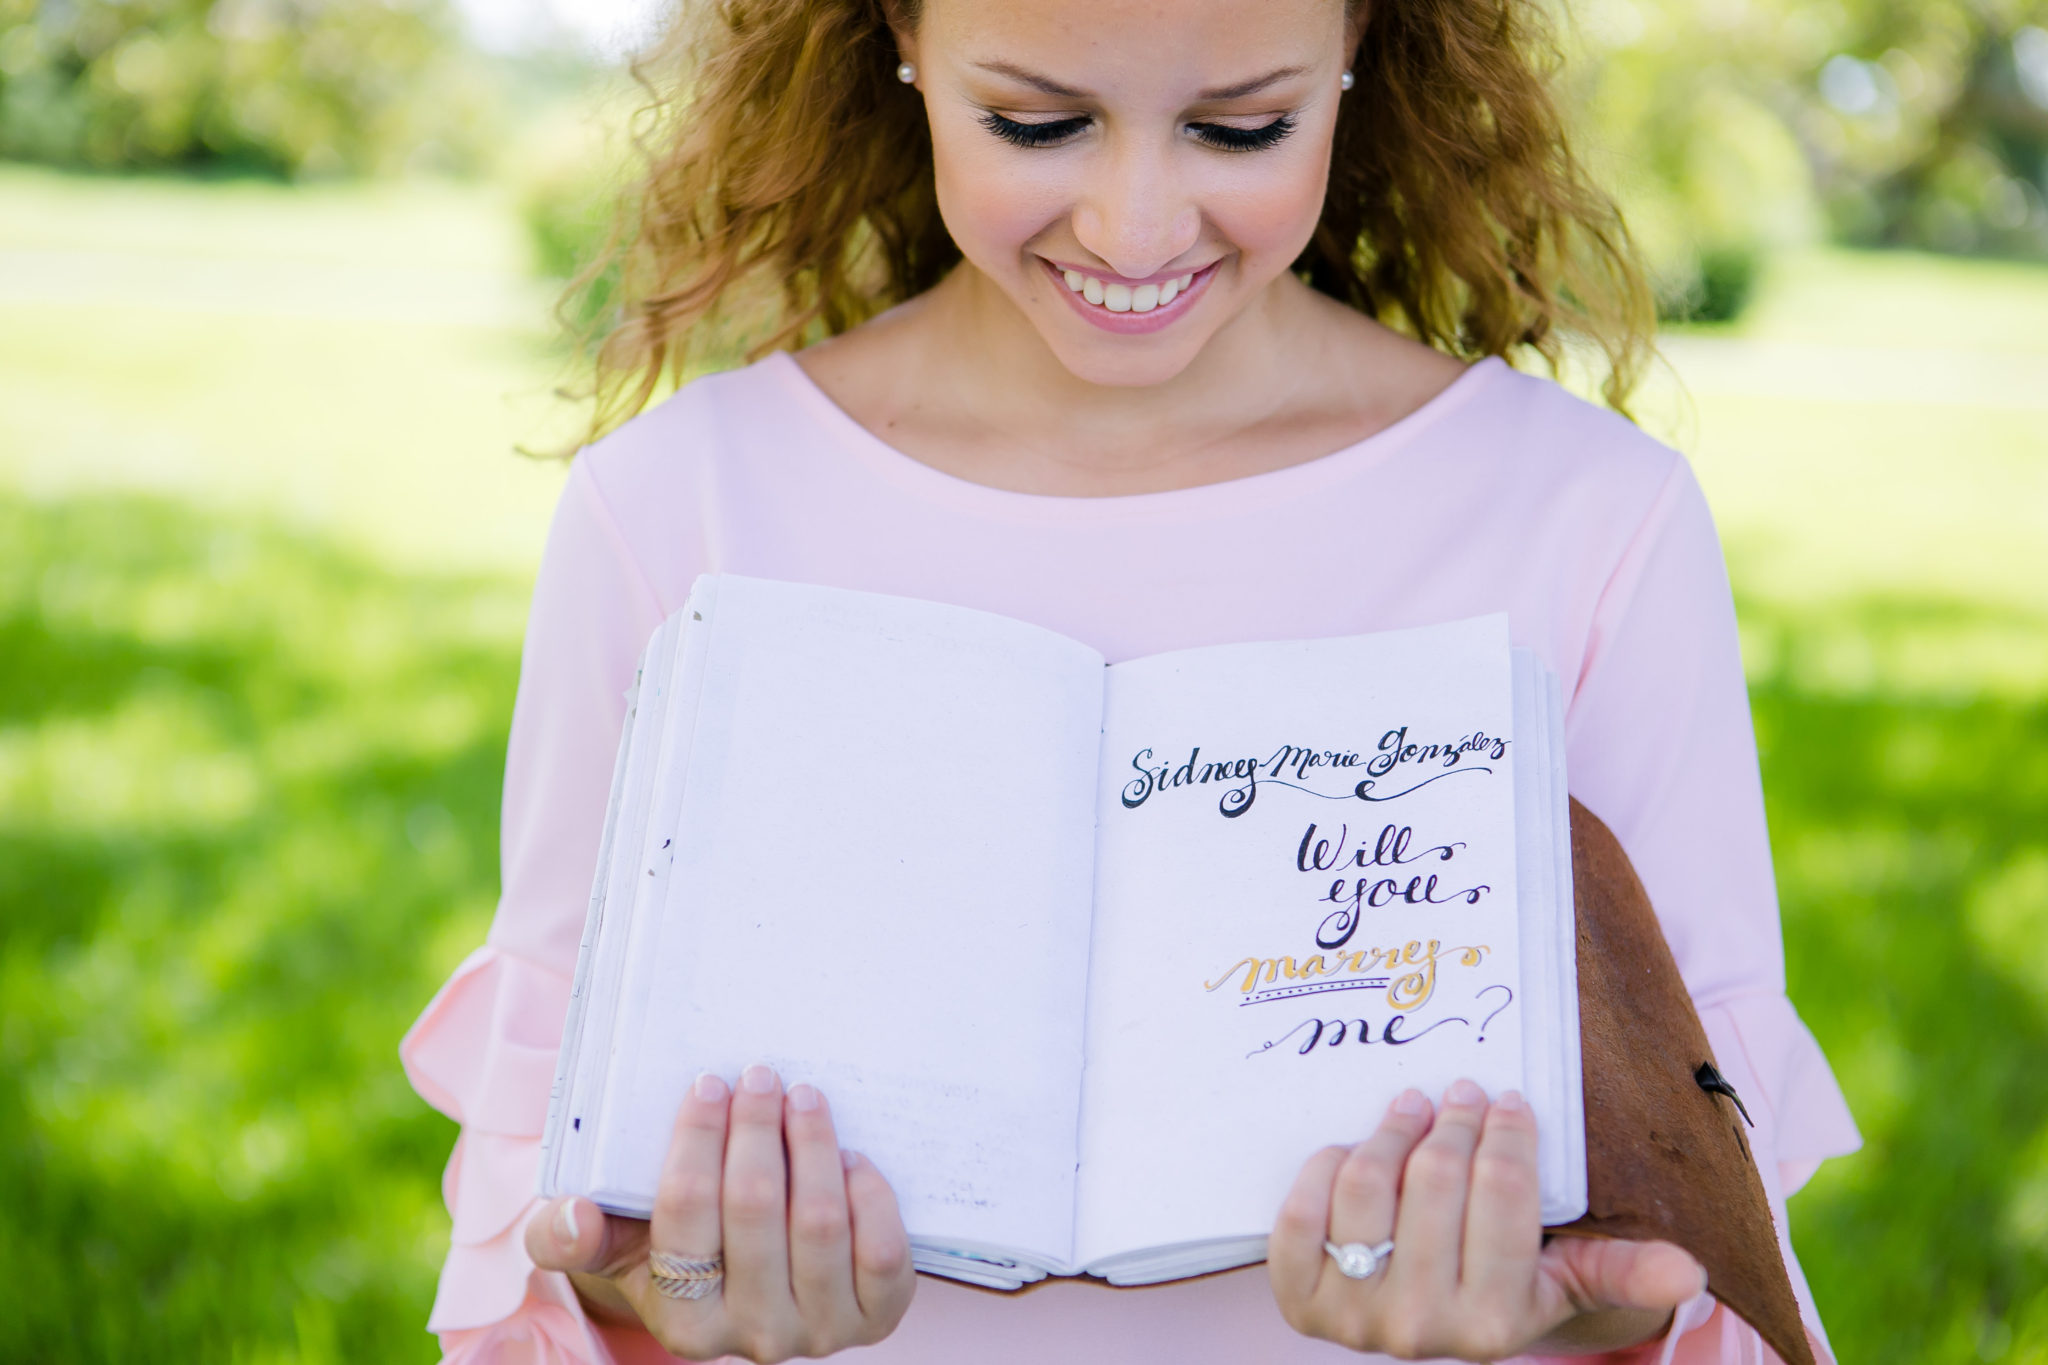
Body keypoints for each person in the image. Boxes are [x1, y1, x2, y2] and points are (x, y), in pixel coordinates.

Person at [399, 0, 1862, 1360]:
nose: (1137, 224)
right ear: (900, 35)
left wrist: (1546, 1317)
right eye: (1037, 125)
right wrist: (675, 1285)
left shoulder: (1590, 519)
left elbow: (1704, 1264)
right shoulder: (675, 510)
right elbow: (542, 1227)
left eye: (1241, 128)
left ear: (1357, 42)